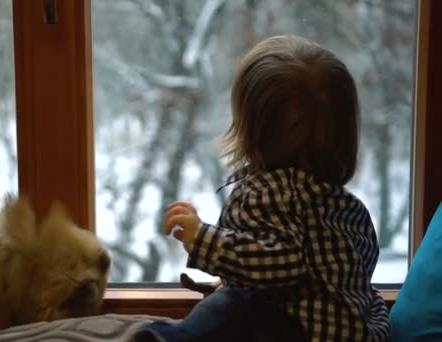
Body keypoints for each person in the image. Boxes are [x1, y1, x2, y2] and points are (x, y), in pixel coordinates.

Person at [133, 35, 390, 341]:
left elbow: (282, 264)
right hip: (357, 333)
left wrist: (204, 240)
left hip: (299, 334)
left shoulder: (270, 193)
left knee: (233, 306)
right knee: (237, 300)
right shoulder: (349, 208)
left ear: (249, 130)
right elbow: (349, 275)